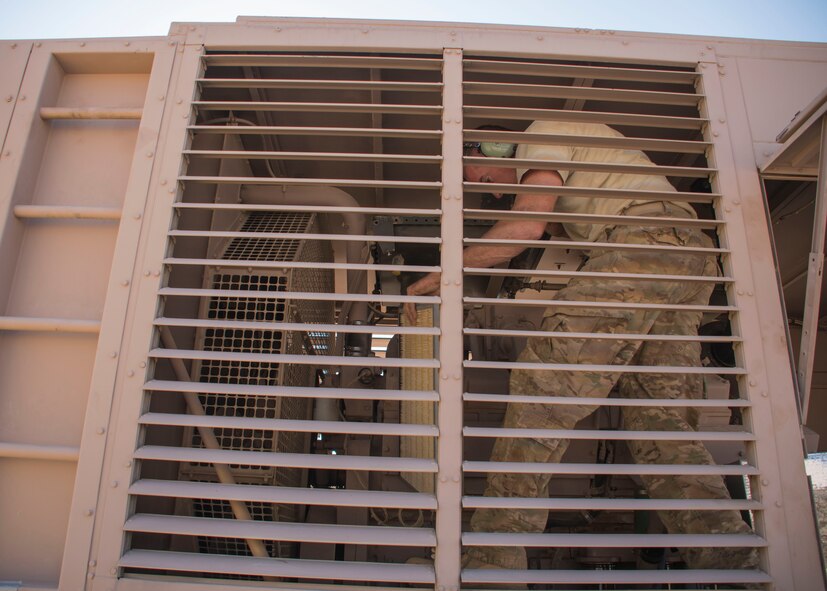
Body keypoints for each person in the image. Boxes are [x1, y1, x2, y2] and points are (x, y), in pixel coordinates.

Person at [404, 120, 759, 573]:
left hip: (642, 244)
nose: (491, 194)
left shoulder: (539, 134)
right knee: (660, 424)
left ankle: (493, 562)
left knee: (542, 391)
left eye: (484, 179)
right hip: (688, 258)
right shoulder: (592, 169)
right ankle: (732, 560)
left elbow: (523, 228)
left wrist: (438, 276)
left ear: (491, 148)